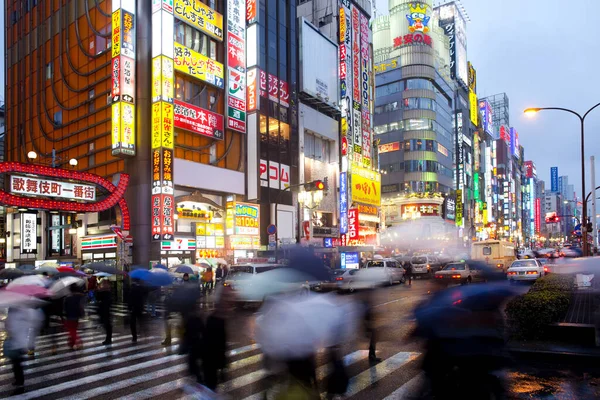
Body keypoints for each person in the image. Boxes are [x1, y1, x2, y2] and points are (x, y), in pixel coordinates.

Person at [4, 307, 44, 394]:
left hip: (18, 343)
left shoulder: (20, 314)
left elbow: (14, 328)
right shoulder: (25, 312)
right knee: (16, 364)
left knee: (17, 364)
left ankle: (20, 383)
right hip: (20, 342)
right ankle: (18, 381)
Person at [64, 283, 86, 349]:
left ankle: (79, 342)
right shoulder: (79, 297)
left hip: (69, 316)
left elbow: (65, 308)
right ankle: (71, 343)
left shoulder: (67, 298)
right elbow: (81, 305)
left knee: (72, 331)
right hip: (76, 316)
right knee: (73, 330)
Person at [128, 279, 147, 343]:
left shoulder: (132, 288)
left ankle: (134, 336)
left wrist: (129, 308)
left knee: (132, 323)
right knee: (140, 320)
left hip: (133, 308)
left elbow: (129, 299)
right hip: (140, 307)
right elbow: (145, 295)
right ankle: (143, 332)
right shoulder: (141, 288)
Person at [96, 279, 113, 345]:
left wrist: (98, 290)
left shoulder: (102, 291)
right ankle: (108, 339)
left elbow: (98, 298)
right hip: (106, 310)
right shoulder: (108, 291)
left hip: (104, 310)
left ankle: (108, 339)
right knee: (107, 325)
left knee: (107, 325)